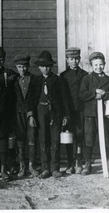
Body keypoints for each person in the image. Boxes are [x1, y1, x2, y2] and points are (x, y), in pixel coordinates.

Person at [79, 52, 109, 177]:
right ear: (92, 65)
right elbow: (82, 94)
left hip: (105, 114)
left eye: (101, 64)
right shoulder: (87, 79)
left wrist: (104, 94)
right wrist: (94, 92)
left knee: (108, 139)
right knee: (89, 139)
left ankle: (108, 163)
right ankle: (88, 164)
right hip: (90, 114)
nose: (98, 67)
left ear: (104, 64)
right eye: (96, 65)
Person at [33, 51, 69, 179]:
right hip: (41, 111)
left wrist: (65, 116)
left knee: (55, 140)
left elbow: (64, 99)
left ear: (51, 66)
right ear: (39, 67)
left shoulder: (58, 80)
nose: (45, 68)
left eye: (48, 65)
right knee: (43, 139)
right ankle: (45, 168)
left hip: (56, 112)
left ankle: (55, 168)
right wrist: (32, 115)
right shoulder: (36, 81)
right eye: (43, 66)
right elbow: (33, 99)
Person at [60, 47, 88, 174]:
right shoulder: (63, 76)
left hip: (80, 110)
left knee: (80, 135)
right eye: (71, 59)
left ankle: (78, 161)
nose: (74, 61)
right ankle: (70, 162)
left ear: (80, 59)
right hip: (68, 111)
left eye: (76, 59)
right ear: (67, 60)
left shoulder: (84, 75)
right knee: (68, 136)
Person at [11, 54, 39, 178]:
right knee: (20, 140)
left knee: (32, 139)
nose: (22, 69)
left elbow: (35, 98)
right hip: (18, 114)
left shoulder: (34, 79)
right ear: (17, 67)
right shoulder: (14, 80)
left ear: (28, 66)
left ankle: (31, 165)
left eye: (24, 67)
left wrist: (31, 113)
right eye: (20, 67)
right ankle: (22, 166)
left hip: (30, 113)